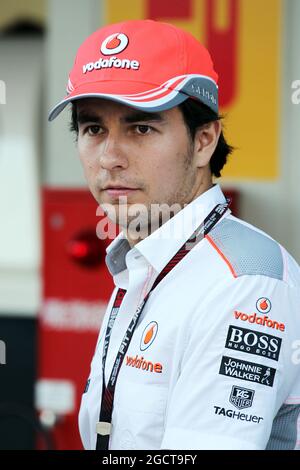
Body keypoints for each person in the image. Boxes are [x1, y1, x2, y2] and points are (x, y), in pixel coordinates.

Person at [49, 19, 300, 451]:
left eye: (141, 128)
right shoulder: (141, 261)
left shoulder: (243, 282)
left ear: (204, 141)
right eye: (93, 129)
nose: (109, 157)